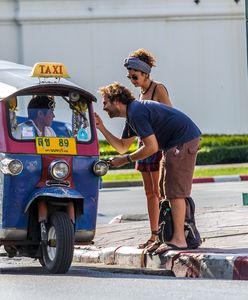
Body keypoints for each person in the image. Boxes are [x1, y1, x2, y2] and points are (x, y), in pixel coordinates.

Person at [95, 82, 201, 252]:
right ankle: (165, 236)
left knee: (175, 192)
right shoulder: (132, 114)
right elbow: (122, 146)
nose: (104, 107)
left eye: (105, 102)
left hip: (183, 141)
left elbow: (151, 147)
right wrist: (101, 128)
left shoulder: (136, 112)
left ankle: (179, 239)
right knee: (164, 190)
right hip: (173, 145)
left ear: (116, 101)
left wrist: (125, 160)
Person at [124, 48, 172, 249]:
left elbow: (170, 116)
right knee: (149, 193)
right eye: (129, 76)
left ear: (145, 73)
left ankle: (165, 233)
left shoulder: (158, 89)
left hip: (157, 145)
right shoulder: (140, 93)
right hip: (143, 144)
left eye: (134, 75)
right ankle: (154, 234)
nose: (131, 79)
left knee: (161, 191)